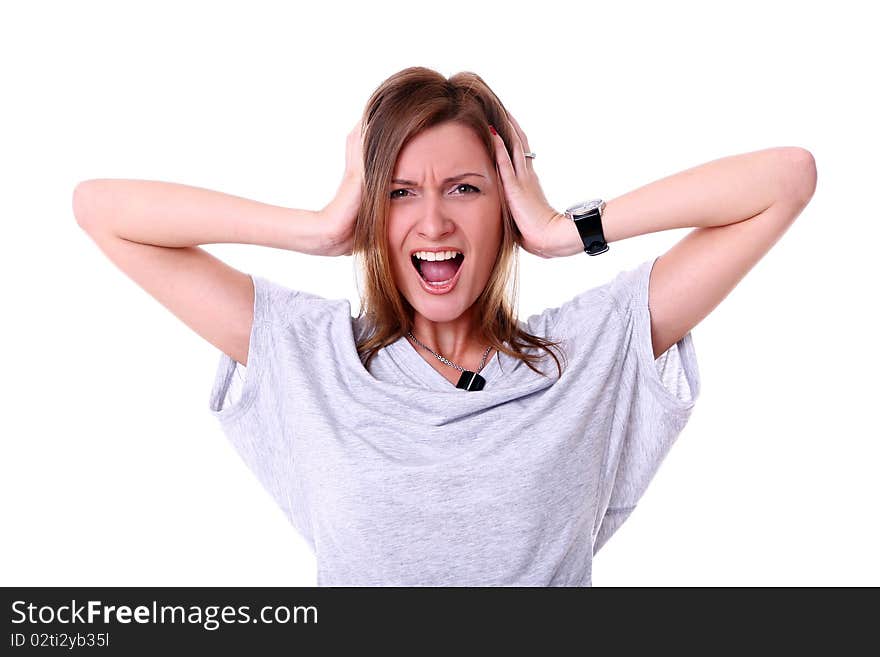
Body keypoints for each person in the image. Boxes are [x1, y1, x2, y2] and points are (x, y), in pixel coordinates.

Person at [73, 66, 815, 586]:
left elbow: (786, 178)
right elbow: (101, 210)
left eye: (465, 188)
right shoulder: (310, 354)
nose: (433, 220)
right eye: (399, 192)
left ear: (505, 208)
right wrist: (321, 229)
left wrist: (561, 230)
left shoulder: (587, 352)